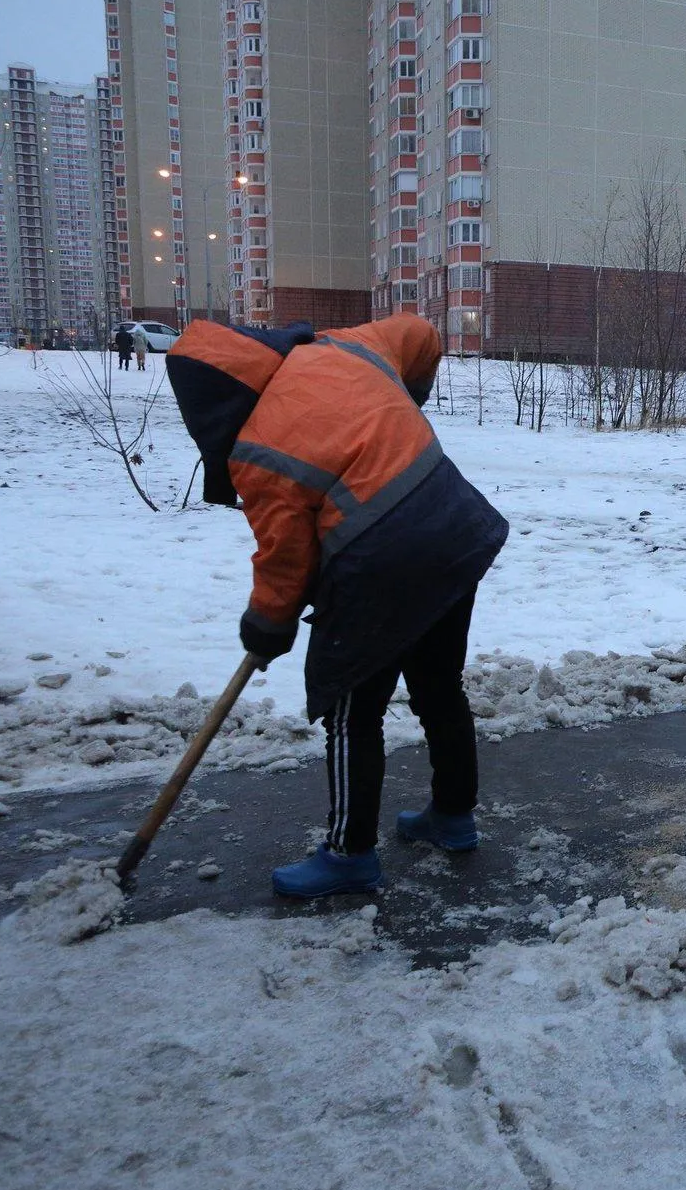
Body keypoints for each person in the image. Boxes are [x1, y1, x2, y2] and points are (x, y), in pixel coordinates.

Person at [166, 313, 509, 898]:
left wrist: (266, 628)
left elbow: (285, 561)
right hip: (456, 530)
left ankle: (350, 854)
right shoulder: (343, 349)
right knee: (438, 688)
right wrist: (408, 401)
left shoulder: (256, 450)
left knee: (352, 708)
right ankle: (453, 817)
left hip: (379, 561)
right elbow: (422, 334)